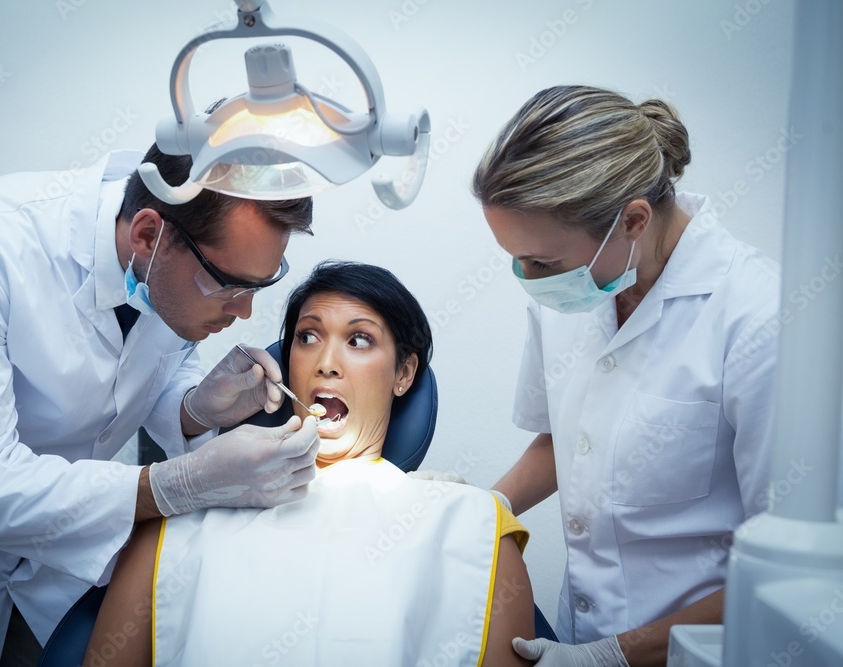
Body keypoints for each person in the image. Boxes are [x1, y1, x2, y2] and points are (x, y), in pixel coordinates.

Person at [0, 144, 323, 665]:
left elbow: (143, 372)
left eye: (261, 284)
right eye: (230, 284)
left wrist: (195, 407)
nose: (245, 309)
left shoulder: (165, 262)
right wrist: (177, 484)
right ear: (147, 234)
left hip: (43, 545)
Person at [82, 261, 536, 666]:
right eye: (308, 337)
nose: (326, 363)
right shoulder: (179, 518)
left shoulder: (472, 524)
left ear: (404, 374)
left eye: (359, 340)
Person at [472, 85, 779, 666]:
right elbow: (565, 441)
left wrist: (609, 657)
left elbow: (785, 570)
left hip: (702, 650)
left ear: (633, 220)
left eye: (541, 262)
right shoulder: (573, 288)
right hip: (578, 631)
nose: (527, 278)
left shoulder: (760, 317)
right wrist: (477, 512)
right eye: (514, 258)